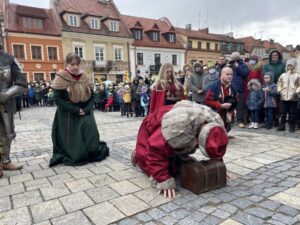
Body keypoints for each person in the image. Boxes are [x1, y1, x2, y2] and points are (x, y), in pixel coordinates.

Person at [132, 100, 228, 198]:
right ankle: (137, 154)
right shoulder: (176, 128)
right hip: (153, 126)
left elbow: (216, 145)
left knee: (178, 164)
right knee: (149, 160)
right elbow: (154, 151)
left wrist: (219, 167)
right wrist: (163, 179)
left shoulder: (216, 124)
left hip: (181, 126)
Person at [49, 53, 109, 167]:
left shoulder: (85, 76)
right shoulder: (61, 77)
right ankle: (75, 152)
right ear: (67, 64)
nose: (75, 66)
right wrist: (75, 110)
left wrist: (86, 109)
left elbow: (92, 95)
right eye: (72, 64)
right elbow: (57, 99)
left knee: (89, 130)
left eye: (77, 64)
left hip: (85, 109)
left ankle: (90, 151)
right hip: (68, 113)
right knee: (74, 138)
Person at [0, 45, 27, 174]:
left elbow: (22, 83)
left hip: (7, 101)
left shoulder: (10, 59)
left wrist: (5, 95)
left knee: (9, 133)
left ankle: (6, 161)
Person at [205, 67, 237, 132]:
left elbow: (235, 101)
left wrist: (231, 112)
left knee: (227, 129)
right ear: (222, 75)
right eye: (227, 74)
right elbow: (206, 101)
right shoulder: (213, 86)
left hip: (226, 112)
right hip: (213, 111)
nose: (230, 76)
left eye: (231, 74)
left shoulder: (233, 88)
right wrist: (220, 105)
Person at [277, 59, 300, 133]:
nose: (289, 67)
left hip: (293, 98)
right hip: (283, 97)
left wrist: (296, 92)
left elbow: (299, 85)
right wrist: (280, 91)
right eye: (288, 65)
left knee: (292, 113)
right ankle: (282, 126)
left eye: (291, 65)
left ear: (293, 66)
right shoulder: (283, 75)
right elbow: (279, 84)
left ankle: (291, 127)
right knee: (283, 113)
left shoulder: (297, 75)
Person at [228, 52, 249, 128]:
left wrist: (237, 67)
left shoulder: (243, 65)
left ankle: (240, 121)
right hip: (230, 87)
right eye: (232, 58)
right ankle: (229, 120)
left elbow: (245, 74)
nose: (233, 60)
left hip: (240, 88)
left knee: (240, 106)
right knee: (230, 105)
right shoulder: (230, 66)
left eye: (234, 58)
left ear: (238, 58)